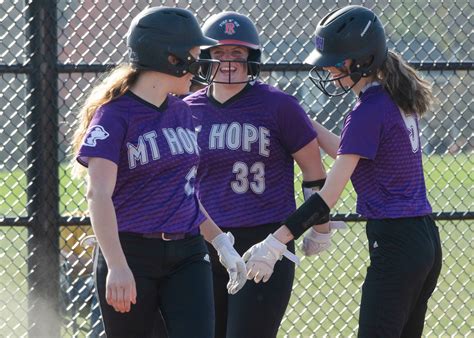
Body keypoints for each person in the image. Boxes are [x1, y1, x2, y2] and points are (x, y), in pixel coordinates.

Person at [243, 5, 442, 337]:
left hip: (397, 243)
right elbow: (350, 151)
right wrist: (303, 120)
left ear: (362, 61)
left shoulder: (369, 109)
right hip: (423, 239)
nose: (331, 72)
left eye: (337, 64)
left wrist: (276, 242)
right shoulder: (390, 97)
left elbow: (327, 198)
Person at [71, 7, 248, 338]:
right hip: (131, 252)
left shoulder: (181, 111)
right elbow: (98, 194)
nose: (201, 64)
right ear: (170, 58)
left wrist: (221, 241)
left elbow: (186, 191)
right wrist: (117, 266)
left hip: (188, 253)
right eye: (194, 55)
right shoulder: (114, 115)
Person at [184, 11, 344, 338]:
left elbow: (314, 173)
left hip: (263, 240)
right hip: (202, 241)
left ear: (252, 58)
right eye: (219, 53)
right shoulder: (185, 110)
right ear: (205, 57)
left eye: (237, 54)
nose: (228, 62)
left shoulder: (279, 105)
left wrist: (320, 227)